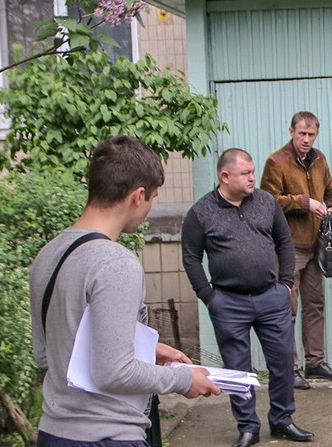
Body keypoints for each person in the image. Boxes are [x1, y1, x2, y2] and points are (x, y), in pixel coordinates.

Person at [29, 135, 221, 447]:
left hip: (54, 433)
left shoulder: (48, 255)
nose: (149, 207)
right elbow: (114, 372)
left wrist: (147, 349)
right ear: (138, 195)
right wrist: (184, 379)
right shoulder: (116, 263)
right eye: (153, 197)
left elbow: (46, 353)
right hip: (107, 436)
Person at [182, 148, 314, 446]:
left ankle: (282, 420)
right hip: (228, 302)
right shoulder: (201, 212)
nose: (253, 177)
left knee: (282, 363)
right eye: (245, 173)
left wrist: (285, 286)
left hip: (271, 298)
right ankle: (248, 428)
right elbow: (191, 258)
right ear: (225, 176)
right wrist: (208, 297)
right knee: (237, 369)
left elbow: (284, 242)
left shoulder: (266, 202)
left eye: (252, 171)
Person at [261, 111, 332, 390]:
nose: (306, 140)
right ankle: (289, 369)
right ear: (291, 132)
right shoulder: (276, 162)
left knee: (315, 305)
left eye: (311, 135)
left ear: (317, 134)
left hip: (317, 245)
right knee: (288, 308)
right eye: (302, 134)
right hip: (288, 247)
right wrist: (305, 202)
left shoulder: (320, 159)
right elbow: (269, 201)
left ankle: (315, 363)